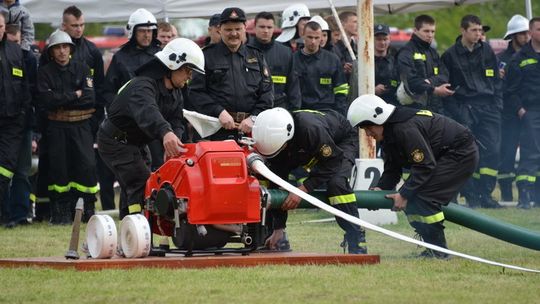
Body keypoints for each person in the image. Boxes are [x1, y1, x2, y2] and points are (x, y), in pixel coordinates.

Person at [347, 94, 478, 258]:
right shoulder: (390, 131)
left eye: (368, 128)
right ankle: (432, 248)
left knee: (423, 198)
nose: (368, 134)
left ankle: (439, 252)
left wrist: (403, 194)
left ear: (378, 119)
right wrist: (380, 188)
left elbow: (424, 165)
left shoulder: (404, 128)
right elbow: (392, 169)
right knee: (415, 198)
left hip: (460, 154)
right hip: (443, 156)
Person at [98, 38, 204, 218]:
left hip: (136, 143)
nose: (189, 77)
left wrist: (174, 141)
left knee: (135, 184)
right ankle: (139, 228)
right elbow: (148, 112)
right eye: (187, 71)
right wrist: (165, 132)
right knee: (140, 183)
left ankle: (130, 228)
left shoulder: (175, 92)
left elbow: (177, 120)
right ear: (173, 65)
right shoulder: (142, 85)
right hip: (115, 141)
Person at [252, 107, 367, 254]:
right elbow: (277, 182)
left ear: (287, 139)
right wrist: (278, 227)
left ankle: (356, 237)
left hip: (339, 143)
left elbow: (332, 161)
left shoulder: (311, 130)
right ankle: (275, 236)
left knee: (336, 184)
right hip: (310, 148)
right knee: (266, 179)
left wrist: (303, 189)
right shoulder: (275, 141)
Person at [441, 15, 503, 209]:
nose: (479, 34)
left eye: (480, 30)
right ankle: (471, 195)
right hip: (465, 108)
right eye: (474, 30)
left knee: (492, 151)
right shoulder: (450, 55)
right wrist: (458, 112)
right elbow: (446, 89)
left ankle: (486, 194)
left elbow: (496, 82)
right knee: (469, 153)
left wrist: (497, 105)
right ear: (463, 31)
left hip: (489, 108)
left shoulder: (487, 51)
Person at [37, 30, 97, 225]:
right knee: (59, 170)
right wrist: (75, 94)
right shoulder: (45, 73)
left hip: (82, 126)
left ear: (70, 49)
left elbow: (90, 98)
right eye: (57, 48)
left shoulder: (83, 68)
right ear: (51, 52)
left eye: (65, 47)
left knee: (86, 168)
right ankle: (61, 214)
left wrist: (62, 98)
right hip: (57, 127)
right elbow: (46, 101)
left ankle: (87, 210)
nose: (62, 51)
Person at [189, 7, 273, 140]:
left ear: (245, 28)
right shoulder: (205, 56)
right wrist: (219, 112)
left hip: (252, 129)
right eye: (228, 29)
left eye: (238, 29)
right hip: (216, 130)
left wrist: (254, 118)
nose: (233, 33)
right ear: (219, 30)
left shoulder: (257, 56)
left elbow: (267, 92)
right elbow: (195, 92)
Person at [59, 5, 108, 218]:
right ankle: (65, 210)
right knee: (63, 165)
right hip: (59, 119)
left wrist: (96, 118)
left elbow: (100, 87)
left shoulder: (92, 51)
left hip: (86, 119)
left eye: (81, 25)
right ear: (64, 26)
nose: (79, 29)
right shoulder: (54, 49)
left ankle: (88, 207)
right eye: (74, 26)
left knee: (87, 166)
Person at [2, 22, 35, 228]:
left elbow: (25, 89)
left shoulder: (18, 54)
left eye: (0, 26)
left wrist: (23, 115)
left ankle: (15, 215)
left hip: (14, 123)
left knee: (13, 170)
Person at [505, 17, 540, 209]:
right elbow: (510, 90)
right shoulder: (518, 59)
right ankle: (524, 196)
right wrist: (521, 111)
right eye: (539, 29)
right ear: (532, 32)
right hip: (531, 112)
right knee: (530, 154)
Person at [497, 14, 530, 203]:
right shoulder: (500, 59)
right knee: (507, 154)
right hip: (507, 114)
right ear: (514, 35)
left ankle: (528, 196)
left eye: (528, 33)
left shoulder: (534, 56)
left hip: (528, 112)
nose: (527, 37)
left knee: (530, 154)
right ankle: (507, 195)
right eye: (522, 33)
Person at [103, 8, 160, 107]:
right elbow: (108, 91)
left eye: (149, 31)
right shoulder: (120, 57)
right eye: (142, 31)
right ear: (133, 32)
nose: (146, 35)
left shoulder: (161, 55)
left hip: (157, 114)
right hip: (128, 117)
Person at [396, 14, 453, 112]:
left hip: (436, 108)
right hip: (413, 109)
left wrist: (430, 81)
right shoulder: (406, 52)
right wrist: (433, 90)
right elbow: (410, 81)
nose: (430, 35)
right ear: (415, 30)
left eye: (432, 31)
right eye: (426, 31)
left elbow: (444, 75)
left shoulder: (433, 52)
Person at [292, 21, 348, 115]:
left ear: (321, 37)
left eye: (316, 37)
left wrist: (339, 113)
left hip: (326, 112)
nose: (313, 41)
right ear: (303, 35)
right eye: (310, 37)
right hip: (300, 112)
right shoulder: (293, 60)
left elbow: (341, 89)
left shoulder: (332, 60)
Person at [248, 11, 301, 110]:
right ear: (254, 28)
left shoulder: (286, 53)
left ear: (274, 29)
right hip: (251, 108)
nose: (266, 31)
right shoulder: (245, 51)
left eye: (269, 27)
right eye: (262, 27)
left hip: (278, 107)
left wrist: (294, 111)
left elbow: (293, 85)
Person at [374, 24, 399, 106]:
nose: (382, 42)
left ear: (390, 40)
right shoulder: (364, 62)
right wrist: (372, 90)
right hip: (371, 104)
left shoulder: (395, 61)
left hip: (392, 105)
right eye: (378, 39)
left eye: (385, 39)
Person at [334, 11, 357, 78]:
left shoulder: (355, 47)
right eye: (355, 22)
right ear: (343, 24)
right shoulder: (335, 47)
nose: (358, 25)